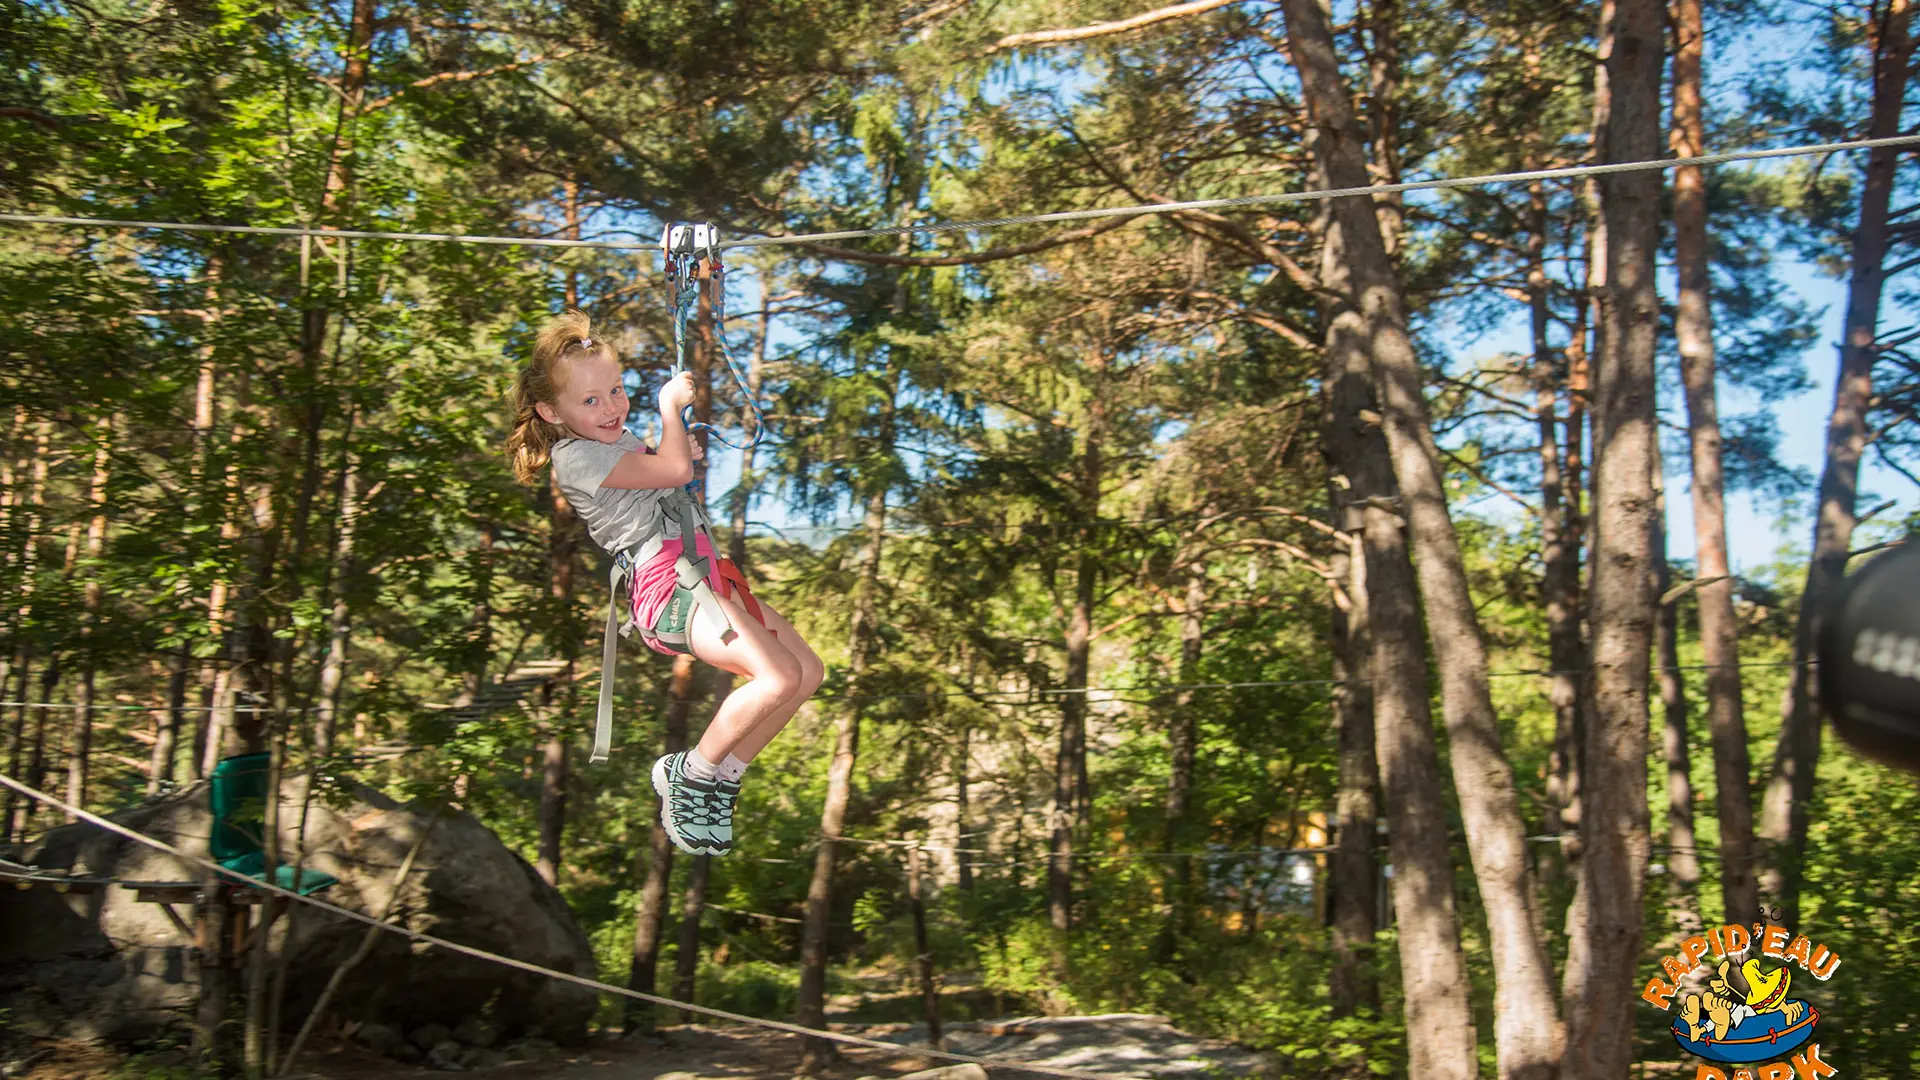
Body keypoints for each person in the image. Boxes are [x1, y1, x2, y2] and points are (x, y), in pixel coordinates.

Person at [506, 310, 825, 857]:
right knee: (773, 678)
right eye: (590, 401)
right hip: (669, 589)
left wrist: (672, 449)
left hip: (706, 577)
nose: (610, 407)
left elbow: (667, 474)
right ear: (550, 411)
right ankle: (691, 772)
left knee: (805, 673)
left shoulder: (616, 442)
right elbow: (674, 472)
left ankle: (724, 773)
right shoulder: (575, 457)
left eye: (616, 391)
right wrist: (668, 417)